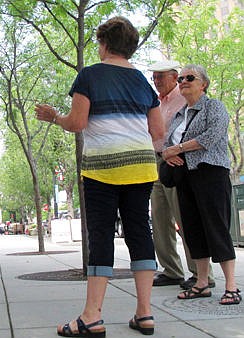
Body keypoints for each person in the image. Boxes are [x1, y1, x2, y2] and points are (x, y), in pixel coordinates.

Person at [35, 16, 163, 337]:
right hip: (141, 166)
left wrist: (54, 117)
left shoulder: (90, 75)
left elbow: (77, 123)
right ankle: (144, 313)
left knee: (102, 235)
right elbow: (158, 132)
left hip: (103, 168)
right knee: (139, 233)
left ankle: (91, 316)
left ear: (104, 44)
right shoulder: (144, 83)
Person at [162, 64, 241, 305]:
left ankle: (231, 286)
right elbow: (167, 142)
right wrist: (168, 153)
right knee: (192, 228)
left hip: (210, 173)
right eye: (181, 78)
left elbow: (212, 135)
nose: (183, 81)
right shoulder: (180, 114)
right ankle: (201, 283)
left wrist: (179, 149)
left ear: (203, 84)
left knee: (216, 226)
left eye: (189, 78)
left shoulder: (213, 107)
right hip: (185, 175)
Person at [148, 61, 215, 289]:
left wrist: (176, 152)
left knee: (185, 217)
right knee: (159, 218)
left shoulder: (185, 97)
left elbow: (193, 128)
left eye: (160, 77)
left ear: (174, 76)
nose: (156, 81)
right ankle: (171, 270)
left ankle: (201, 273)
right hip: (157, 161)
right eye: (153, 77)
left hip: (179, 161)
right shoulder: (157, 102)